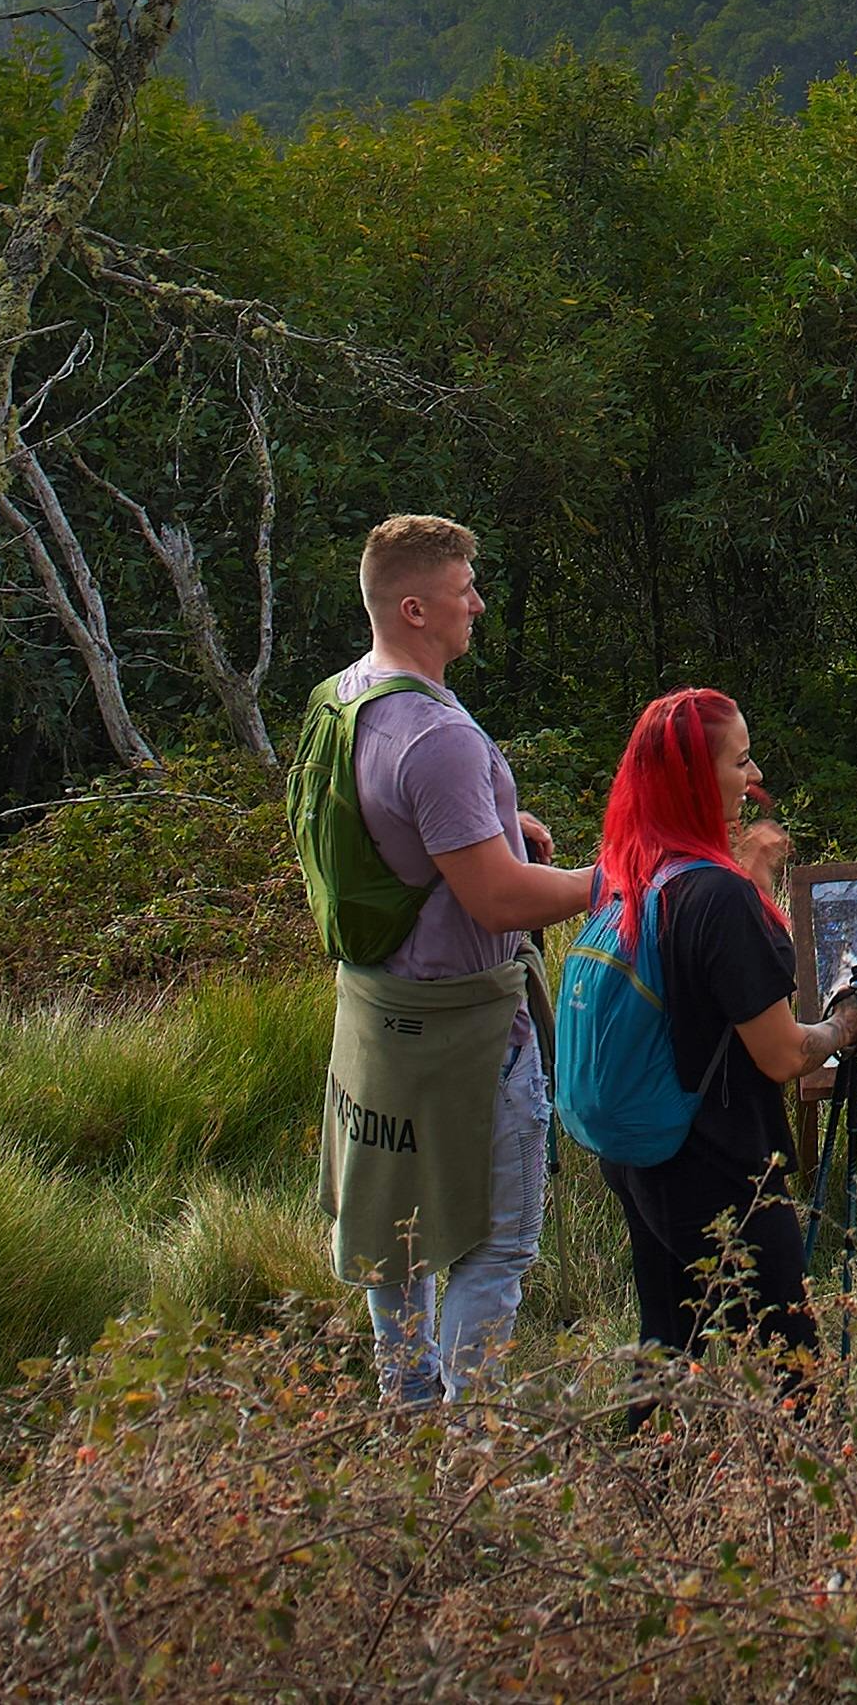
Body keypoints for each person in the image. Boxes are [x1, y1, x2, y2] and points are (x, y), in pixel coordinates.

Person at [297, 515, 599, 1407]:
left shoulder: (343, 699)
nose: (479, 600)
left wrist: (506, 829)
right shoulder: (440, 739)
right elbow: (498, 900)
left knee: (395, 1224)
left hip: (376, 1017)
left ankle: (408, 1403)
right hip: (465, 1031)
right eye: (465, 586)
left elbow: (391, 833)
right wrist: (609, 877)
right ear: (417, 605)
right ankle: (469, 1443)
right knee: (496, 1242)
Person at [577, 687, 857, 1374]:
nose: (754, 777)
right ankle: (796, 1481)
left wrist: (754, 873)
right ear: (693, 774)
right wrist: (849, 1021)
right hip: (718, 1165)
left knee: (667, 1343)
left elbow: (699, 984)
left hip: (642, 1156)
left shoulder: (635, 870)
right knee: (791, 1362)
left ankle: (646, 1479)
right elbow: (782, 1054)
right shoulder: (718, 898)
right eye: (740, 761)